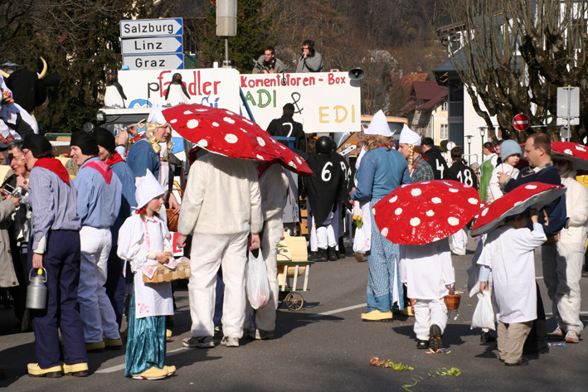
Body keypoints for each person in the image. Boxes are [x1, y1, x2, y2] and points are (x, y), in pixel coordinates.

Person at [177, 152, 262, 349]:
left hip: (208, 228)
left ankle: (202, 333)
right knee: (235, 280)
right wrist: (255, 229)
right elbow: (255, 200)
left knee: (202, 280)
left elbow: (192, 201)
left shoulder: (202, 164)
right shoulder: (246, 164)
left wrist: (184, 230)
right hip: (238, 227)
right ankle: (233, 332)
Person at [23, 134, 88, 377]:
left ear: (31, 153)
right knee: (69, 301)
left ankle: (49, 362)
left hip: (50, 239)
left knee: (44, 303)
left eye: (25, 155)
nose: (25, 160)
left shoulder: (39, 171)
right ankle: (77, 360)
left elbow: (43, 213)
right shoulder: (61, 170)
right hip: (72, 238)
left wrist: (38, 248)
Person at [498, 133, 567, 355]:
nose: (524, 155)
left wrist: (509, 183)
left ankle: (534, 340)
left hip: (534, 232)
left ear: (541, 151)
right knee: (526, 284)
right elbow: (524, 185)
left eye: (527, 150)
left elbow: (521, 190)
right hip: (526, 232)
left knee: (526, 285)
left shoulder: (550, 175)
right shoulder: (536, 173)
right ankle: (533, 340)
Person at [351, 114, 411, 321]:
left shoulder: (370, 156)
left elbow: (364, 190)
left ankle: (381, 305)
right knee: (395, 254)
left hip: (377, 206)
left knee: (376, 255)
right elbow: (407, 186)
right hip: (397, 206)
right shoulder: (398, 156)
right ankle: (400, 302)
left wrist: (353, 194)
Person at [117, 170, 176, 380]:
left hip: (160, 277)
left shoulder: (160, 222)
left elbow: (166, 240)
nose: (161, 202)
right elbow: (125, 250)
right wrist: (153, 254)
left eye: (161, 197)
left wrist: (167, 254)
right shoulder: (135, 223)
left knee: (158, 318)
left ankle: (157, 361)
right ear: (146, 200)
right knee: (145, 319)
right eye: (157, 198)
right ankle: (141, 365)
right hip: (145, 277)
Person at [70, 131, 123, 351]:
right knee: (98, 288)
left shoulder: (86, 172)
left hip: (88, 233)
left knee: (85, 290)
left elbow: (79, 208)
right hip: (106, 234)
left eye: (74, 149)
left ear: (83, 149)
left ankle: (93, 337)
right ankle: (112, 334)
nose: (71, 153)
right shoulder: (111, 171)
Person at [477, 209, 546, 366]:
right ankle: (512, 357)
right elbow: (540, 236)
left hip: (501, 285)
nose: (525, 223)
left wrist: (483, 281)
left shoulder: (493, 235)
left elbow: (485, 262)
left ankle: (503, 352)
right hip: (519, 286)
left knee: (503, 318)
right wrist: (536, 220)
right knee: (521, 321)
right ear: (516, 219)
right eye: (524, 220)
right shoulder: (520, 234)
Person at [94, 128, 137, 328]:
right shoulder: (99, 167)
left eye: (99, 147)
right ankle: (107, 325)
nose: (96, 151)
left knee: (115, 284)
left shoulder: (122, 169)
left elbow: (131, 208)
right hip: (104, 236)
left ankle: (114, 326)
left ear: (108, 148)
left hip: (117, 237)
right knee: (104, 284)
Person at [544, 156, 588, 343]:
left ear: (570, 164)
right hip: (551, 239)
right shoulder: (548, 186)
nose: (557, 166)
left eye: (561, 163)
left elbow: (583, 214)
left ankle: (572, 327)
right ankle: (561, 322)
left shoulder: (578, 187)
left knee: (569, 283)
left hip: (571, 239)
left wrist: (565, 218)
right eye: (554, 162)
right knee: (552, 282)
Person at [249, 161, 289, 340]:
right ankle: (249, 321)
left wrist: (252, 215)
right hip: (255, 228)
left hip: (269, 228)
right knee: (252, 274)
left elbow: (274, 204)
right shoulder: (257, 170)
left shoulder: (277, 173)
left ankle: (266, 324)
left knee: (268, 274)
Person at [400, 239, 455, 351]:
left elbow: (402, 257)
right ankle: (436, 325)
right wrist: (450, 280)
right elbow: (445, 257)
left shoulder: (407, 232)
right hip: (435, 275)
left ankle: (422, 338)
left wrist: (404, 278)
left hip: (415, 275)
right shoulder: (439, 232)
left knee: (420, 305)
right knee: (439, 305)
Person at [303, 137, 345, 262]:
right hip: (331, 197)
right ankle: (332, 250)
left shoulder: (313, 158)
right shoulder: (336, 159)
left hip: (318, 198)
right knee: (328, 224)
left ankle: (322, 251)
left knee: (319, 224)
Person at [447, 146, 478, 256]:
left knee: (457, 223)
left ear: (451, 157)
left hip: (457, 199)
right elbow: (475, 184)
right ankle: (463, 245)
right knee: (465, 223)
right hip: (469, 198)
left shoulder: (451, 170)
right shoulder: (469, 170)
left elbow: (449, 187)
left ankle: (459, 247)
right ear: (461, 156)